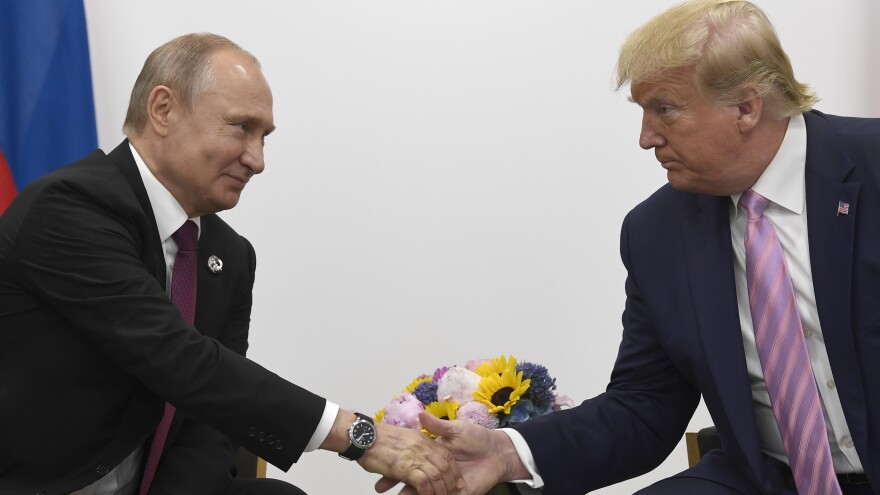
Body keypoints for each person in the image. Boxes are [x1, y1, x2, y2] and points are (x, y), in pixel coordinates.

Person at [403, 1, 880, 494]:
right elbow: (646, 403)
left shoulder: (872, 166)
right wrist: (508, 450)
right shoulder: (657, 231)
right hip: (766, 480)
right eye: (643, 112)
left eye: (665, 110)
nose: (646, 138)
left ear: (745, 107)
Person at [0, 33, 464, 495]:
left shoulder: (230, 254)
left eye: (265, 136)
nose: (257, 159)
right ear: (163, 110)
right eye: (241, 127)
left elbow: (208, 419)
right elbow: (179, 359)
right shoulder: (70, 208)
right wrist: (357, 436)